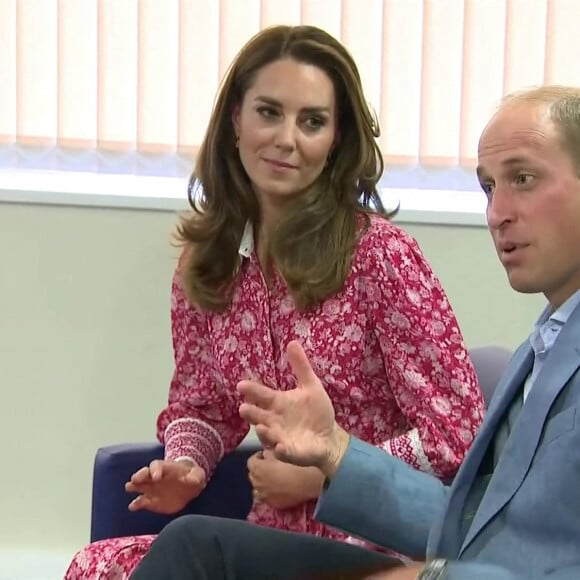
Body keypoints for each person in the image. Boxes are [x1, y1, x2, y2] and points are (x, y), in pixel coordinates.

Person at [65, 24, 483, 579]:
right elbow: (202, 407)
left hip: (379, 544)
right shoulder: (208, 261)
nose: (287, 138)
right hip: (268, 535)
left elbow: (459, 437)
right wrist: (187, 463)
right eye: (269, 112)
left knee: (185, 551)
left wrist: (328, 470)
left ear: (336, 140)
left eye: (312, 121)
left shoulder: (381, 256)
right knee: (99, 566)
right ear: (236, 119)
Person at [129, 84, 580, 580]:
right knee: (196, 546)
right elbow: (470, 526)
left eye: (524, 178)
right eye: (490, 188)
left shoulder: (381, 255)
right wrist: (336, 453)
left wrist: (431, 578)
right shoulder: (542, 346)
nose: (498, 214)